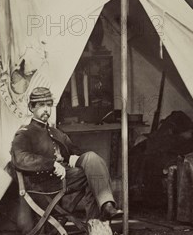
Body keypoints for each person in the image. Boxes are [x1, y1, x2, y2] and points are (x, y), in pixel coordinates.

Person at [10, 87, 123, 221]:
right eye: (41, 105)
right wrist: (51, 164)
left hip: (66, 176)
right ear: (31, 107)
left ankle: (106, 206)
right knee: (94, 174)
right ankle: (97, 223)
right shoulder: (25, 133)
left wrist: (72, 158)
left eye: (49, 105)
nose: (46, 109)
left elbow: (73, 150)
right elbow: (21, 158)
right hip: (45, 181)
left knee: (92, 158)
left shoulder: (55, 132)